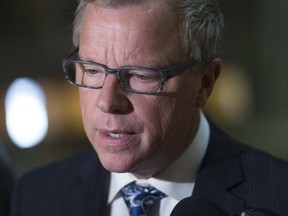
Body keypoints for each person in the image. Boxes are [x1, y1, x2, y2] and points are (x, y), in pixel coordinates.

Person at [10, 0, 288, 215]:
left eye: (141, 75)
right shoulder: (35, 196)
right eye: (92, 70)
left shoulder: (278, 198)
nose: (108, 102)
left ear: (204, 83)